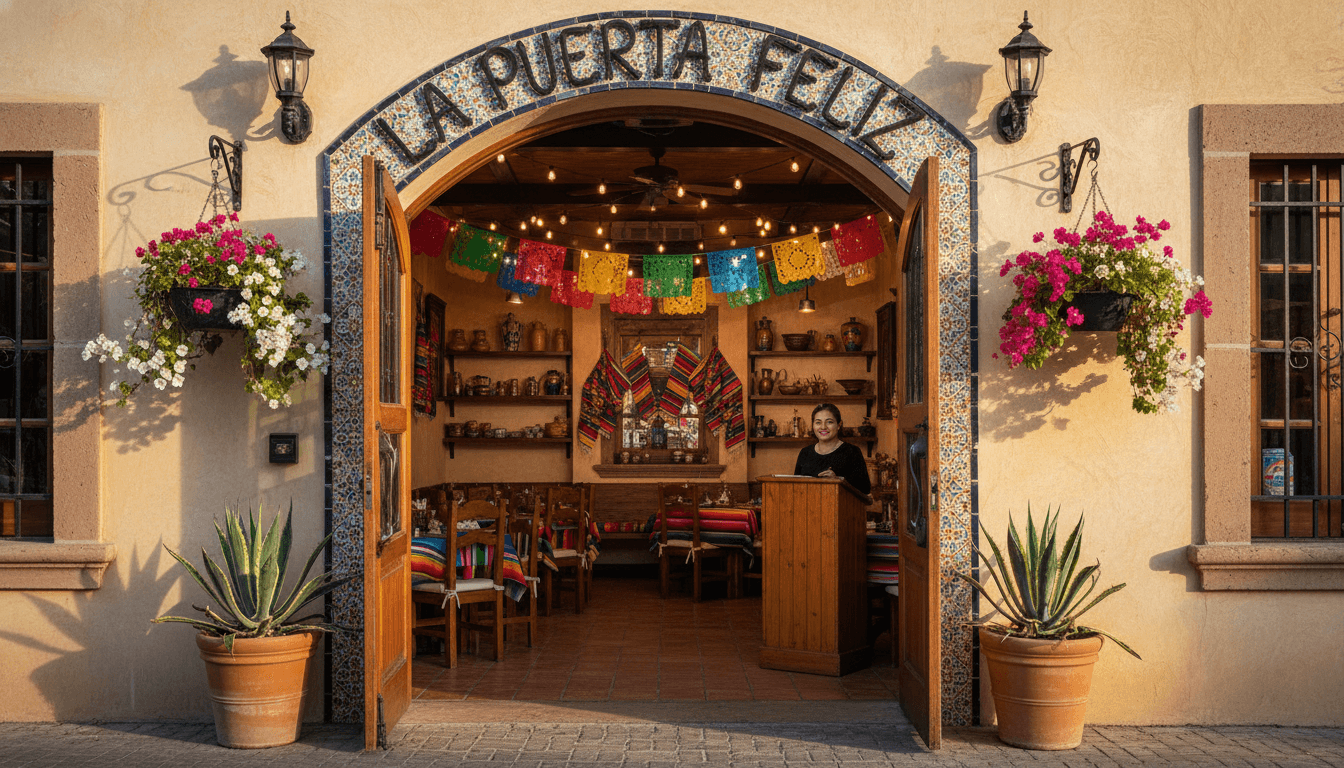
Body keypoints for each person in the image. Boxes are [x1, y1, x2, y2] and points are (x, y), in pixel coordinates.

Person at [793, 403, 871, 495]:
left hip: (841, 508)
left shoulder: (852, 452)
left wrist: (838, 481)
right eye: (818, 422)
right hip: (808, 508)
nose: (823, 427)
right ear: (813, 426)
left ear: (839, 425)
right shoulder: (805, 453)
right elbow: (796, 488)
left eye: (829, 422)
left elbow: (865, 489)